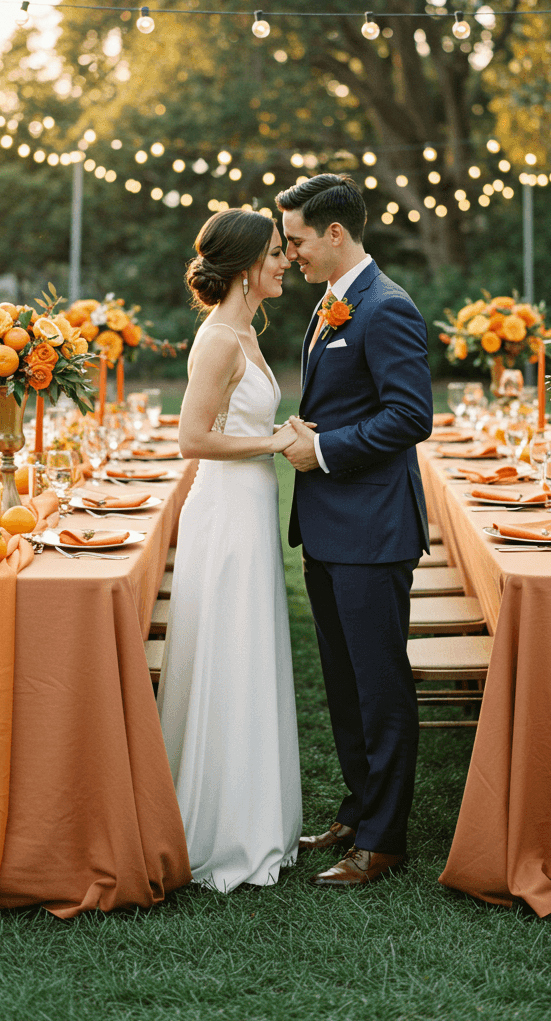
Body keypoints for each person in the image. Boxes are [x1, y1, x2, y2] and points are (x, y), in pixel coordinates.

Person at [275, 173, 433, 888]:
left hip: (371, 528)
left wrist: (325, 449)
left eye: (298, 240)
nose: (290, 253)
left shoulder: (385, 308)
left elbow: (410, 416)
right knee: (343, 683)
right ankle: (357, 809)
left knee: (379, 684)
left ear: (335, 233)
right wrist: (314, 431)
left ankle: (385, 837)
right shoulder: (332, 301)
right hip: (331, 525)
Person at [156, 209, 303, 892]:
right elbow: (192, 439)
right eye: (276, 253)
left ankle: (255, 817)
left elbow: (239, 419)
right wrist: (273, 441)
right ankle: (224, 831)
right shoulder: (219, 338)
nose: (285, 262)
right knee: (230, 652)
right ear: (246, 265)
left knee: (248, 653)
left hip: (247, 508)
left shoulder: (246, 328)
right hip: (225, 509)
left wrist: (281, 429)